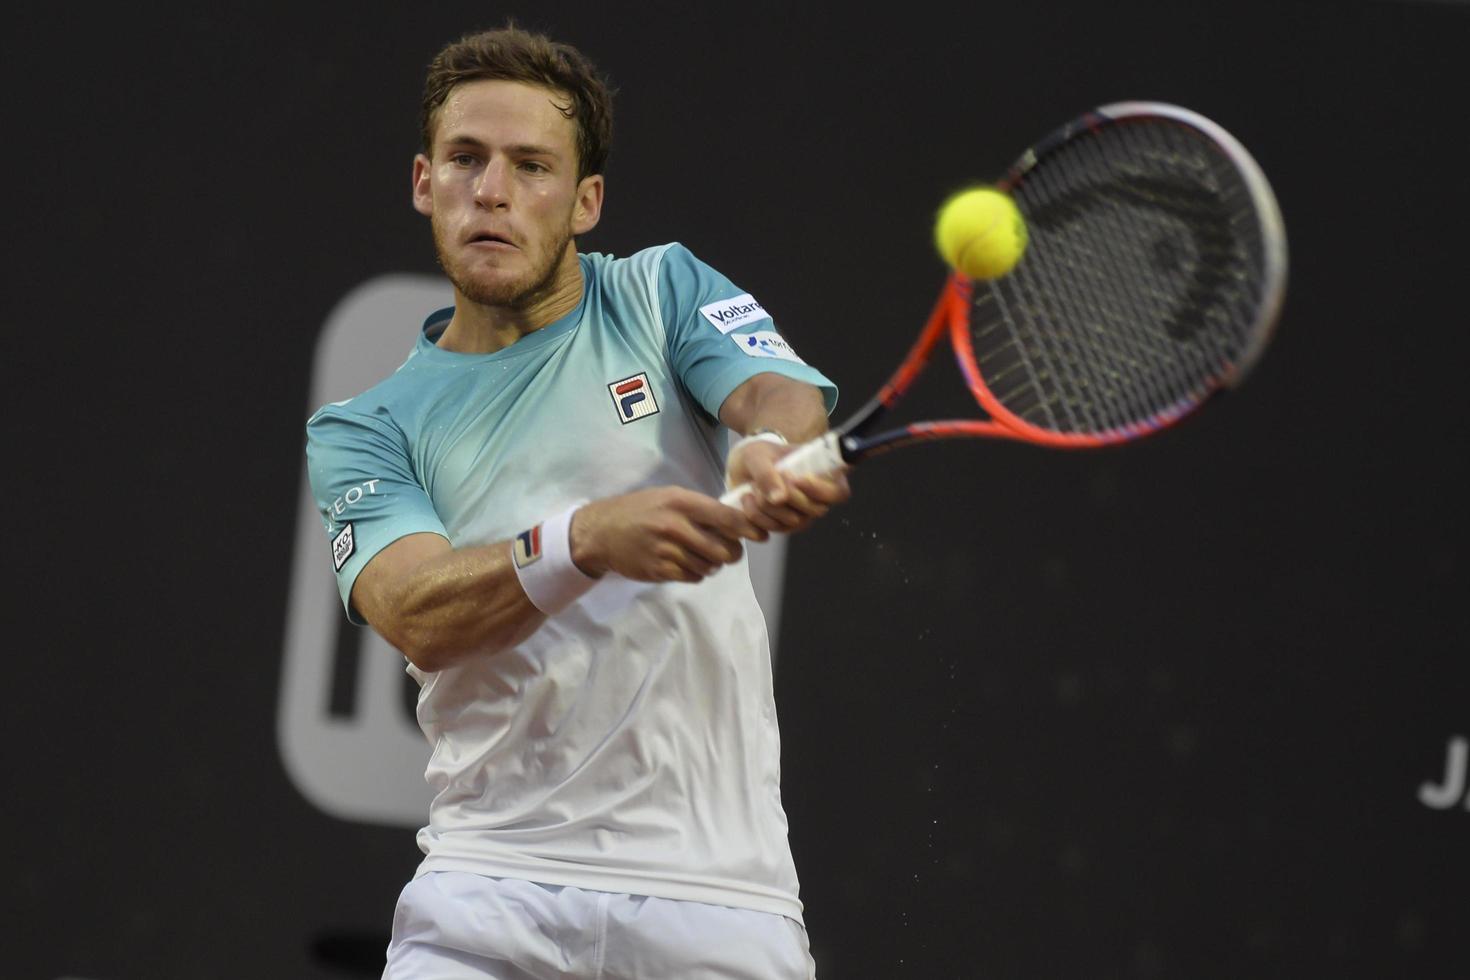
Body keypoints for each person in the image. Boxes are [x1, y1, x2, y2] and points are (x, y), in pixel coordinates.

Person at [304, 22, 849, 980]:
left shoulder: (661, 292)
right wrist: (587, 537)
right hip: (487, 893)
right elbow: (416, 613)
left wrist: (771, 449)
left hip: (717, 900)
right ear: (424, 182)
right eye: (466, 160)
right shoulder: (365, 427)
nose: (495, 191)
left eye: (532, 166)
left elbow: (779, 398)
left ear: (586, 200)